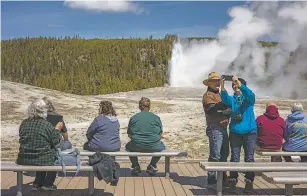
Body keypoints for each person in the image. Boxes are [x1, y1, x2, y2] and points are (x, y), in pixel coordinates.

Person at [16, 99, 63, 191]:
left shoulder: (24, 123)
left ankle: (37, 183)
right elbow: (56, 141)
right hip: (42, 158)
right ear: (43, 111)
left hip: (23, 158)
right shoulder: (46, 125)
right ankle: (48, 183)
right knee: (55, 154)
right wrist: (57, 129)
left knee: (42, 152)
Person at [220, 76, 257, 193]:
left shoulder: (248, 99)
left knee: (249, 158)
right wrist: (222, 85)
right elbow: (225, 98)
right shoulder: (233, 99)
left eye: (237, 84)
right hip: (235, 132)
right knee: (235, 158)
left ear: (242, 86)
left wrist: (240, 84)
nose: (235, 86)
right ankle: (233, 181)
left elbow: (250, 94)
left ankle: (249, 182)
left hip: (250, 132)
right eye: (233, 85)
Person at [202, 72, 231, 187]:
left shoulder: (219, 94)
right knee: (215, 154)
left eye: (218, 81)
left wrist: (226, 112)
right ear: (209, 83)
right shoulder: (208, 95)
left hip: (223, 127)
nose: (217, 83)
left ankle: (222, 177)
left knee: (224, 153)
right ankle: (212, 180)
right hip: (215, 127)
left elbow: (227, 107)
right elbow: (212, 110)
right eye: (214, 81)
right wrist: (226, 111)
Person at [125, 97, 165, 176]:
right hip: (154, 146)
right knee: (162, 146)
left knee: (128, 146)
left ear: (140, 106)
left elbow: (129, 135)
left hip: (136, 145)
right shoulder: (156, 118)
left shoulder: (134, 118)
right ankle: (152, 165)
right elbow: (160, 135)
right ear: (149, 107)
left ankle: (135, 165)